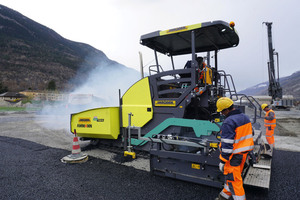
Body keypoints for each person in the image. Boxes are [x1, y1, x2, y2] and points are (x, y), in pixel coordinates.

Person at [215, 97, 254, 200]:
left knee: (234, 181)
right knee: (232, 178)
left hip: (233, 157)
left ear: (226, 110)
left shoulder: (228, 122)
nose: (222, 114)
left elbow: (227, 146)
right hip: (243, 155)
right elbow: (251, 133)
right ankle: (223, 197)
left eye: (222, 111)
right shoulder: (245, 117)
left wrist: (223, 161)